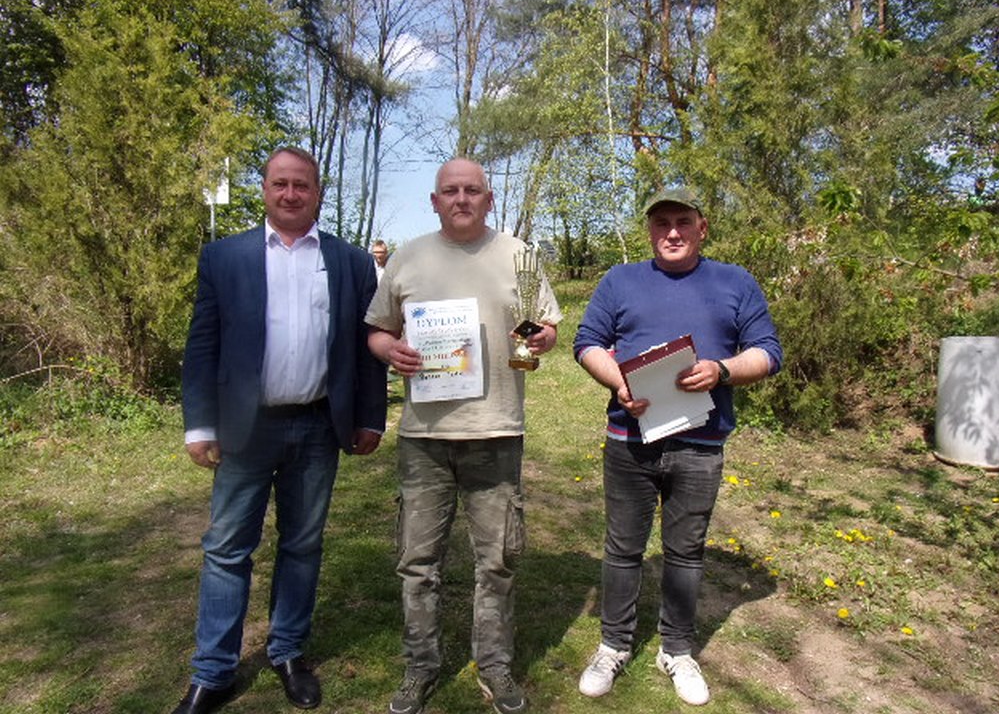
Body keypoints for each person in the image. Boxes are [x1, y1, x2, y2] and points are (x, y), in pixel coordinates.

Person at [174, 146, 388, 714]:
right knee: (226, 549)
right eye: (280, 183)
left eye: (302, 185)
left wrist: (370, 417)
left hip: (318, 426)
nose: (291, 194)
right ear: (264, 189)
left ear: (317, 192)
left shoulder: (350, 262)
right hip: (245, 429)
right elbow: (203, 345)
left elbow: (365, 349)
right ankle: (213, 671)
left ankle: (288, 651)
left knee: (302, 544)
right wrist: (200, 424)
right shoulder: (224, 257)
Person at [365, 158, 562, 714]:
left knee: (497, 561)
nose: (461, 199)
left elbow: (546, 325)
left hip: (496, 431)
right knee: (417, 562)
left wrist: (542, 339)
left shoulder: (520, 255)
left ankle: (494, 665)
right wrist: (391, 351)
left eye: (472, 190)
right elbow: (377, 331)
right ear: (434, 201)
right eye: (450, 191)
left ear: (488, 198)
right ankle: (420, 666)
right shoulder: (407, 257)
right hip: (424, 437)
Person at [572, 187, 782, 707]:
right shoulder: (620, 280)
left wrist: (722, 370)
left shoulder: (735, 282)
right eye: (661, 222)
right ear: (649, 231)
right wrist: (619, 382)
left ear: (702, 228)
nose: (672, 232)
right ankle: (613, 645)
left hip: (700, 445)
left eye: (683, 222)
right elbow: (587, 342)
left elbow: (768, 352)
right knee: (623, 549)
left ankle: (677, 650)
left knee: (686, 551)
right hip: (630, 440)